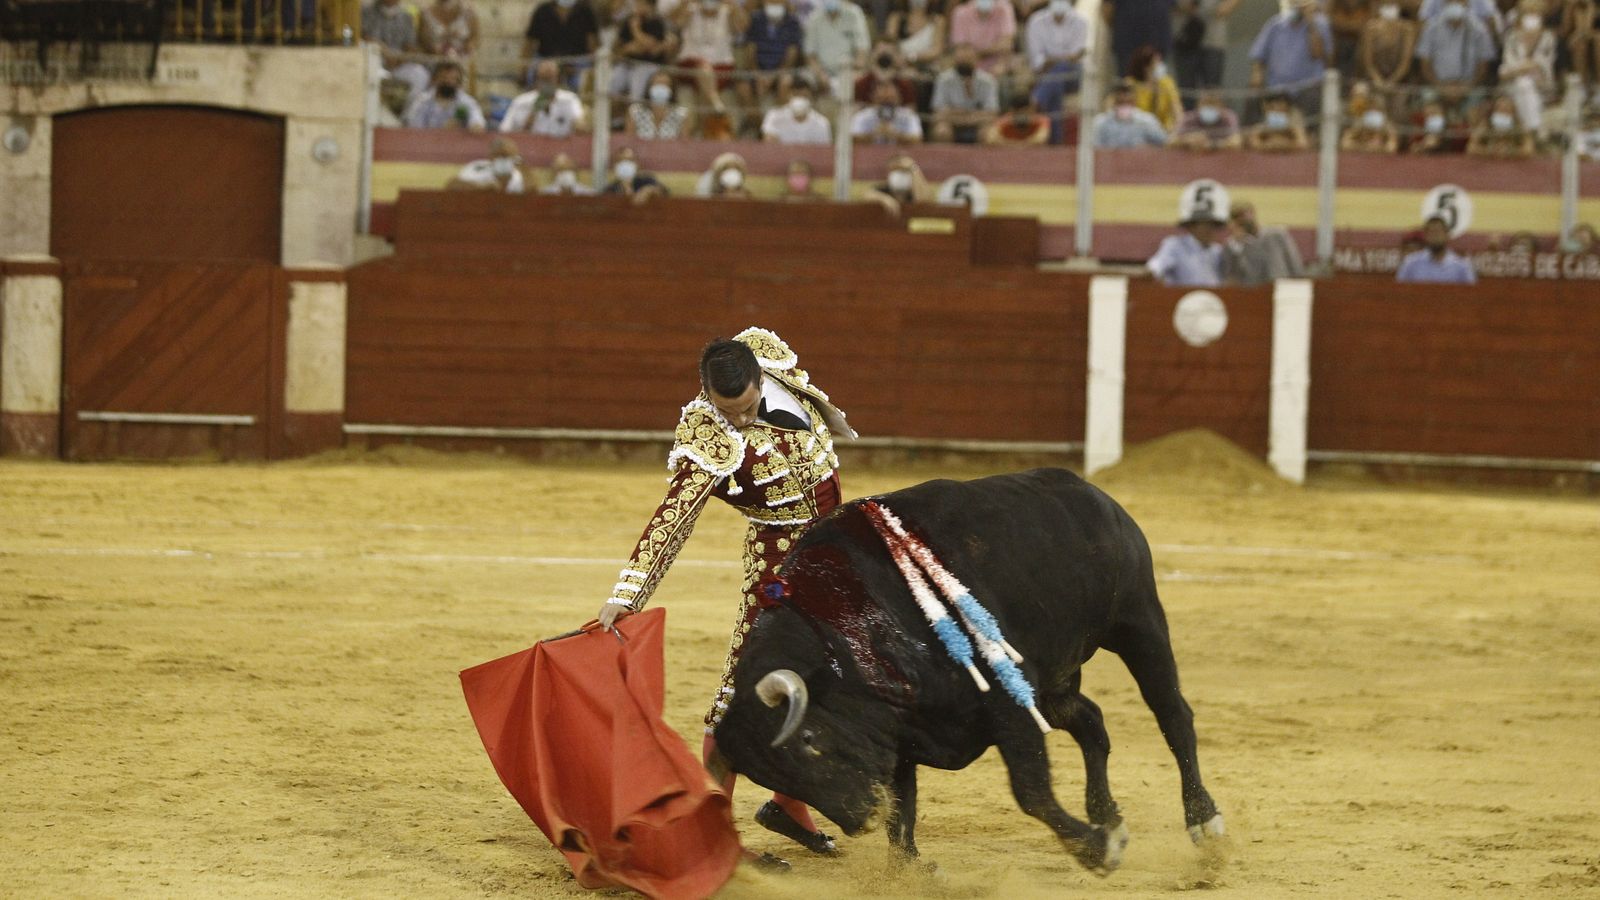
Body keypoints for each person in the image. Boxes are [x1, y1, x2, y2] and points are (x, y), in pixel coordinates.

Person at [595, 330, 855, 864]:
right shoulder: (708, 436)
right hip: (778, 563)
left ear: (762, 377)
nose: (736, 420)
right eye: (725, 409)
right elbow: (673, 519)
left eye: (746, 407)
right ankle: (712, 836)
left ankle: (789, 805)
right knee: (744, 689)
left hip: (833, 551)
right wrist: (629, 593)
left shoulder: (771, 360)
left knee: (832, 678)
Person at [1249, 0, 1332, 113]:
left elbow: (1318, 54)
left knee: (1312, 96)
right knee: (1252, 95)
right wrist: (1257, 73)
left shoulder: (1321, 24)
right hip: (1277, 88)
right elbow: (1258, 54)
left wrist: (1311, 24)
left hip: (1306, 88)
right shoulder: (1275, 24)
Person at [1416, 0, 1496, 113]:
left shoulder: (1479, 30)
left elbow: (1483, 66)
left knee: (1476, 110)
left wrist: (1466, 87)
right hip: (1437, 84)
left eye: (1459, 2)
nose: (1455, 4)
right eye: (1451, 1)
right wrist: (1441, 87)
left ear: (1467, 5)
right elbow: (1424, 64)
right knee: (1431, 108)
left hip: (1470, 85)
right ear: (1444, 4)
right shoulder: (1431, 28)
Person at [1026, 0, 1088, 144]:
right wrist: (1061, 59)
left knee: (1061, 70)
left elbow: (1075, 58)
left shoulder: (1081, 22)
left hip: (1072, 76)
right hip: (1044, 75)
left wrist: (1053, 60)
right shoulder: (1036, 21)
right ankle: (1056, 140)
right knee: (1056, 82)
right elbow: (1037, 61)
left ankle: (1036, 102)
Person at [674, 0, 747, 119]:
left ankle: (710, 109)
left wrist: (734, 5)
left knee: (706, 76)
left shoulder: (727, 13)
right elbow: (677, 23)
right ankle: (715, 101)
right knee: (703, 69)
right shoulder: (690, 10)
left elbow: (742, 28)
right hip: (691, 65)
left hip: (721, 67)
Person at [739, 0, 805, 122]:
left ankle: (777, 123)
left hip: (781, 71)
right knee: (743, 85)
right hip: (758, 69)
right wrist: (757, 74)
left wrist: (774, 76)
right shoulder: (756, 19)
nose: (774, 3)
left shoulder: (792, 21)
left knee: (786, 82)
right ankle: (758, 125)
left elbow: (792, 54)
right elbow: (750, 50)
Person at [1498, 2, 1555, 133]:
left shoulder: (1547, 38)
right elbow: (1506, 70)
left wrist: (1520, 68)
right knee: (1523, 83)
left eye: (1535, 12)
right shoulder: (1512, 37)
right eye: (1528, 12)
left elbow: (1543, 67)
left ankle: (1529, 130)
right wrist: (1525, 68)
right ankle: (1533, 130)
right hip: (1512, 87)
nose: (1531, 15)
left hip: (1542, 87)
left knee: (1525, 83)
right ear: (1521, 15)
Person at [930, 43, 1001, 142]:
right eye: (962, 59)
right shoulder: (943, 80)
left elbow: (991, 114)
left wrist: (961, 115)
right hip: (951, 124)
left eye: (968, 58)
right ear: (954, 59)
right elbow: (939, 113)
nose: (965, 62)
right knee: (941, 131)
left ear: (976, 59)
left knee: (989, 134)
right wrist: (970, 116)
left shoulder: (988, 81)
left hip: (978, 125)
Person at [521, 0, 599, 89]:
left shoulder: (586, 11)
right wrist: (523, 71)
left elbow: (593, 45)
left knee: (581, 82)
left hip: (577, 62)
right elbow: (529, 43)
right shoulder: (542, 11)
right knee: (535, 78)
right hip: (547, 60)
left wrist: (591, 69)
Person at [1224, 201, 1306, 285]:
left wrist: (1300, 281)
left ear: (1253, 213)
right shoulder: (1233, 245)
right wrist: (1238, 245)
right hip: (1256, 291)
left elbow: (1294, 261)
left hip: (1282, 286)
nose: (1244, 220)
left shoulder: (1276, 234)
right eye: (1238, 218)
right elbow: (1233, 276)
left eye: (1244, 215)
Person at [501, 59, 590, 136]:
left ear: (558, 80)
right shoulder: (521, 102)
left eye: (550, 79)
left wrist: (580, 123)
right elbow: (505, 131)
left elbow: (581, 127)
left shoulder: (569, 100)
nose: (547, 84)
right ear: (537, 80)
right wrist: (535, 111)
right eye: (543, 79)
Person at [804, 0, 872, 100]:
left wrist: (855, 71)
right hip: (821, 71)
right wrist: (821, 74)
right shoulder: (814, 17)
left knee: (858, 82)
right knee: (804, 81)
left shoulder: (854, 14)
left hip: (849, 70)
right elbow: (810, 55)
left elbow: (862, 49)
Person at [362, 0, 431, 99]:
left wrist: (401, 59)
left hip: (398, 64)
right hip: (375, 61)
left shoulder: (406, 17)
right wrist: (383, 50)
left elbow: (410, 46)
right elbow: (363, 37)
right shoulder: (365, 12)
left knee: (419, 74)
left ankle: (407, 113)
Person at [613, 0, 676, 103]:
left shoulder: (657, 22)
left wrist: (636, 30)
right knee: (614, 81)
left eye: (641, 4)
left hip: (649, 65)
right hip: (627, 64)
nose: (637, 7)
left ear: (649, 6)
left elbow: (651, 48)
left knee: (637, 84)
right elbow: (618, 49)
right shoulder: (628, 20)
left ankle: (634, 115)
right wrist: (628, 48)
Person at [1148, 206, 1227, 287]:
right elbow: (1157, 265)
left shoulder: (1217, 251)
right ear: (1191, 227)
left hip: (1214, 297)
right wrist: (1151, 271)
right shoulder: (1175, 246)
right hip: (1183, 297)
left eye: (1213, 226)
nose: (1210, 230)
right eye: (1206, 225)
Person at [1171, 0, 1237, 93]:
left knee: (1212, 90)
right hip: (1184, 37)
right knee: (1186, 90)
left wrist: (1228, 5)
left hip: (1213, 38)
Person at [403, 61, 487, 131]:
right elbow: (414, 128)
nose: (448, 82)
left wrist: (475, 126)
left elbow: (477, 119)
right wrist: (442, 130)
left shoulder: (466, 102)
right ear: (435, 79)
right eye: (444, 78)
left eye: (453, 79)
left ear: (459, 82)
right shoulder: (422, 100)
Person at [1358, 1, 1417, 101]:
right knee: (1362, 93)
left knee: (1399, 99)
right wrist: (1378, 81)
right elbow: (1368, 63)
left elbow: (1405, 63)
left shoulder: (1407, 29)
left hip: (1400, 80)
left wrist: (1391, 82)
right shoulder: (1371, 28)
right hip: (1374, 78)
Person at [1396, 213, 1476, 282]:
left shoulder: (1461, 267)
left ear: (1447, 235)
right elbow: (1400, 293)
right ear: (1425, 235)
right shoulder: (1411, 264)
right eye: (1431, 232)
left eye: (1438, 232)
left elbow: (1472, 295)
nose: (1435, 236)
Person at [1103, 0, 1175, 76]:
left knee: (1160, 83)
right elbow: (1107, 8)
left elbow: (1175, 8)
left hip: (1159, 44)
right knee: (1129, 83)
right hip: (1128, 44)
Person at [947, 0, 1018, 76]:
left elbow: (1006, 45)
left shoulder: (1005, 8)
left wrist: (977, 52)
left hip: (998, 68)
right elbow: (961, 52)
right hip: (970, 70)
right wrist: (992, 50)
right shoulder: (960, 12)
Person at [1092, 79, 1167, 148]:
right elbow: (1094, 148)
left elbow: (1164, 143)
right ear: (1114, 101)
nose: (1124, 105)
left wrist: (1147, 148)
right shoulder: (1100, 123)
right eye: (1121, 102)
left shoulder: (1147, 121)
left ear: (1134, 102)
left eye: (1128, 102)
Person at [1127, 44, 1182, 132]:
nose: (1160, 65)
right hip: (1137, 130)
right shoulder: (1131, 84)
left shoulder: (1167, 83)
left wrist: (1176, 131)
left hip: (1163, 131)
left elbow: (1177, 111)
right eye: (1156, 62)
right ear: (1145, 67)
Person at [851, 80, 924, 144]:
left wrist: (896, 136)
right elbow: (852, 139)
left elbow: (917, 139)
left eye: (890, 99)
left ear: (898, 98)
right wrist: (873, 135)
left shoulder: (909, 115)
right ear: (873, 98)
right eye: (882, 99)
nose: (886, 104)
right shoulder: (862, 116)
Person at [762, 80, 834, 144]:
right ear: (789, 96)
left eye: (804, 96)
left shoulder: (822, 122)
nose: (800, 99)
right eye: (796, 95)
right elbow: (769, 144)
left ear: (811, 98)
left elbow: (823, 151)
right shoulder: (774, 116)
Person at [627, 71, 693, 139]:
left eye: (665, 84)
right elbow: (629, 141)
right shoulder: (635, 111)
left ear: (671, 89)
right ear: (649, 87)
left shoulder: (681, 114)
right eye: (657, 83)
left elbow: (685, 145)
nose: (661, 87)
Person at [448, 137, 527, 193]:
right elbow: (452, 185)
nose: (502, 159)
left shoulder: (519, 174)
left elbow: (533, 192)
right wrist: (481, 187)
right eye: (498, 155)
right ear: (490, 156)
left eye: (506, 155)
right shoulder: (478, 167)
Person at [1467, 93, 1537, 157]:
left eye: (1506, 109)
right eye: (1499, 109)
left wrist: (1510, 151)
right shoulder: (1486, 124)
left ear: (1513, 112)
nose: (1503, 112)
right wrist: (1490, 151)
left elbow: (1529, 150)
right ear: (1494, 111)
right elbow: (1471, 148)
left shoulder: (1520, 126)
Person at [1172, 89, 1241, 150]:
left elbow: (1236, 141)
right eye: (1205, 103)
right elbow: (1170, 141)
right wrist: (1187, 140)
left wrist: (1213, 145)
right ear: (1198, 106)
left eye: (1213, 104)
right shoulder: (1189, 118)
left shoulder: (1228, 117)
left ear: (1222, 107)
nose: (1209, 107)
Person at [867, 154, 933, 214]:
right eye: (895, 170)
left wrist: (913, 168)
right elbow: (867, 195)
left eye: (904, 171)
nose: (899, 175)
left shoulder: (915, 191)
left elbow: (923, 200)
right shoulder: (884, 189)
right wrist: (885, 199)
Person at [1245, 92, 1310, 152]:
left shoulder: (1295, 124)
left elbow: (1303, 143)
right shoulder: (1259, 127)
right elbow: (1253, 143)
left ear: (1287, 108)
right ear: (1265, 107)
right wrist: (1267, 145)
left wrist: (1285, 145)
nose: (1276, 109)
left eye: (1280, 106)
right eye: (1272, 107)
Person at [1328, 0, 1373, 78]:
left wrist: (1350, 27)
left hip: (1361, 42)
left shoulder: (1368, 4)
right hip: (1339, 42)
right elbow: (1330, 19)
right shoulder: (1335, 4)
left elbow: (1370, 22)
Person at [983, 94, 1051, 144]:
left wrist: (1009, 144)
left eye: (1028, 112)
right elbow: (990, 139)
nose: (1025, 115)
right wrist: (1017, 146)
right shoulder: (1005, 120)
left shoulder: (1041, 120)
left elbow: (1040, 140)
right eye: (1021, 112)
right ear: (1013, 111)